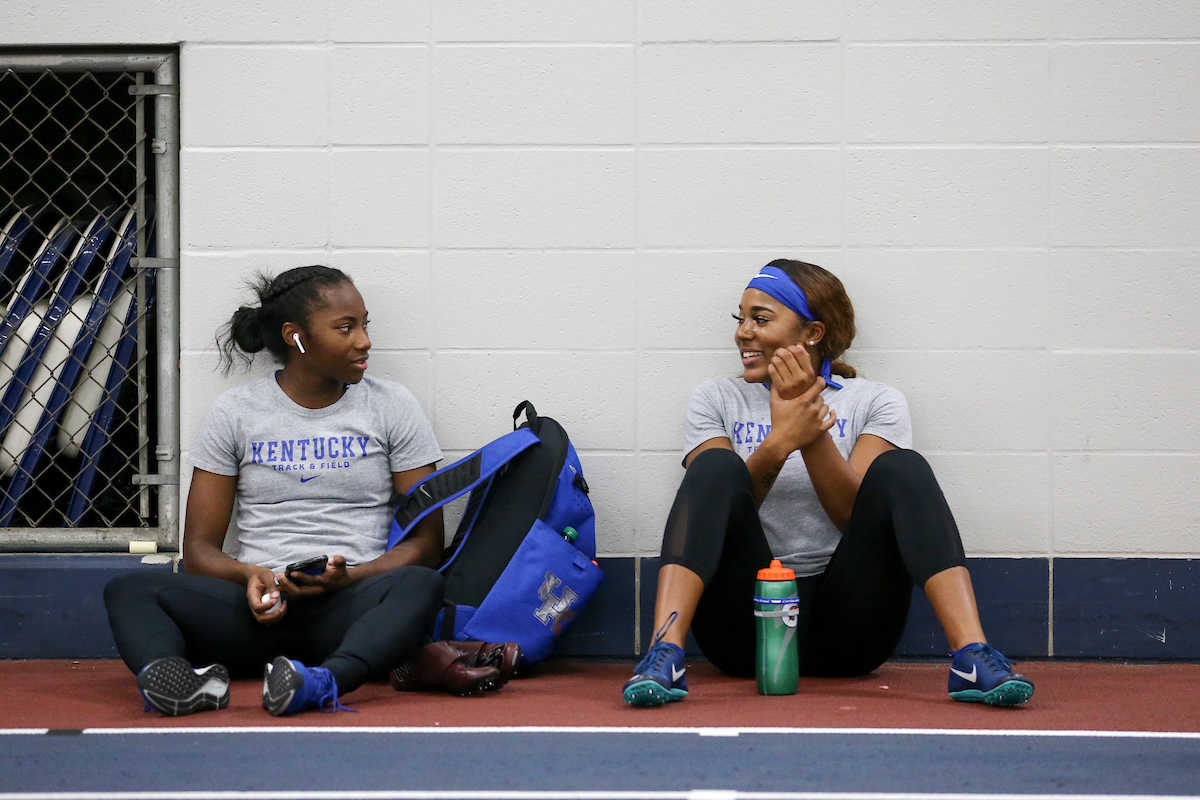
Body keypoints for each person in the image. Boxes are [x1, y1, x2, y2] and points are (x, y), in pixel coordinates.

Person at [622, 259, 1034, 708]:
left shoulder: (874, 401)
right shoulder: (717, 398)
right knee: (715, 467)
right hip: (744, 629)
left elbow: (851, 517)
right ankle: (666, 652)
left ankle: (971, 657)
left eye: (760, 319)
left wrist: (812, 431)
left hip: (852, 629)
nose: (743, 332)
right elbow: (715, 511)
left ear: (812, 333)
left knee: (903, 468)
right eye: (740, 318)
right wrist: (780, 442)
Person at [104, 265, 509, 717]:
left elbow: (426, 543)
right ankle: (179, 683)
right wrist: (250, 575)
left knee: (420, 585)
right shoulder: (235, 412)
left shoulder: (391, 405)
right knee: (130, 589)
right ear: (296, 337)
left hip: (350, 610)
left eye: (364, 325)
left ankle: (324, 680)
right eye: (345, 328)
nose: (364, 341)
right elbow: (197, 551)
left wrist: (350, 577)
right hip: (256, 611)